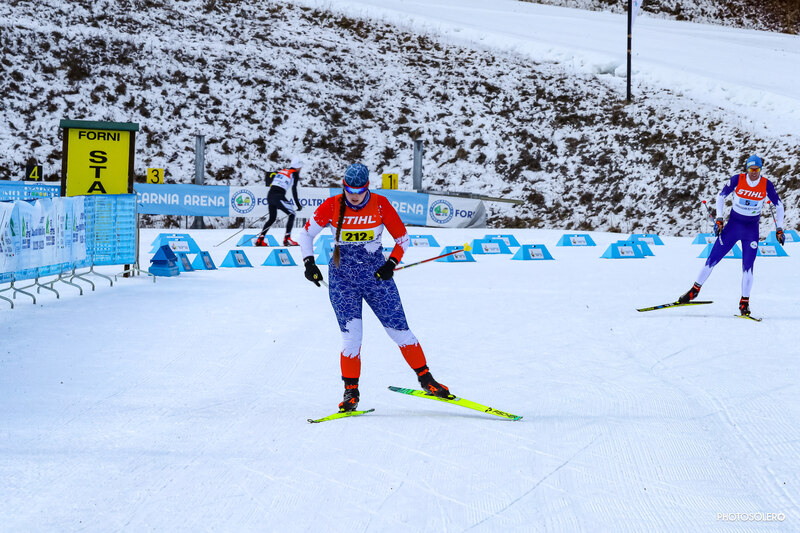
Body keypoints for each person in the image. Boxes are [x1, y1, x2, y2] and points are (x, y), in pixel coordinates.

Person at [297, 163, 452, 412]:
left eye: (359, 190)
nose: (354, 195)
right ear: (344, 186)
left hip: (377, 278)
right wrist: (309, 263)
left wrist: (391, 263)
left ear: (367, 187)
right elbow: (306, 235)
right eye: (350, 190)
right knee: (352, 338)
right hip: (343, 280)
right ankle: (351, 391)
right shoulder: (332, 205)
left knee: (400, 332)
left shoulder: (380, 204)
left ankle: (426, 379)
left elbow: (402, 239)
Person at [677, 154, 785, 316]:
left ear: (760, 169)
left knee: (748, 266)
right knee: (712, 259)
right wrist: (719, 218)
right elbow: (721, 196)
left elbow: (779, 205)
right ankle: (694, 291)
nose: (754, 172)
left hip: (751, 230)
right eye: (751, 169)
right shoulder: (737, 179)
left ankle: (744, 303)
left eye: (757, 170)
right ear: (747, 169)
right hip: (733, 227)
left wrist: (780, 228)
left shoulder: (765, 184)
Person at [254, 160, 303, 247]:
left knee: (272, 218)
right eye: (300, 167)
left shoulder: (283, 171)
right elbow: (294, 189)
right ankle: (287, 239)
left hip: (270, 195)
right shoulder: (294, 173)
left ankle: (260, 239)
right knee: (292, 214)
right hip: (279, 196)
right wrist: (298, 204)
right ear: (297, 167)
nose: (300, 169)